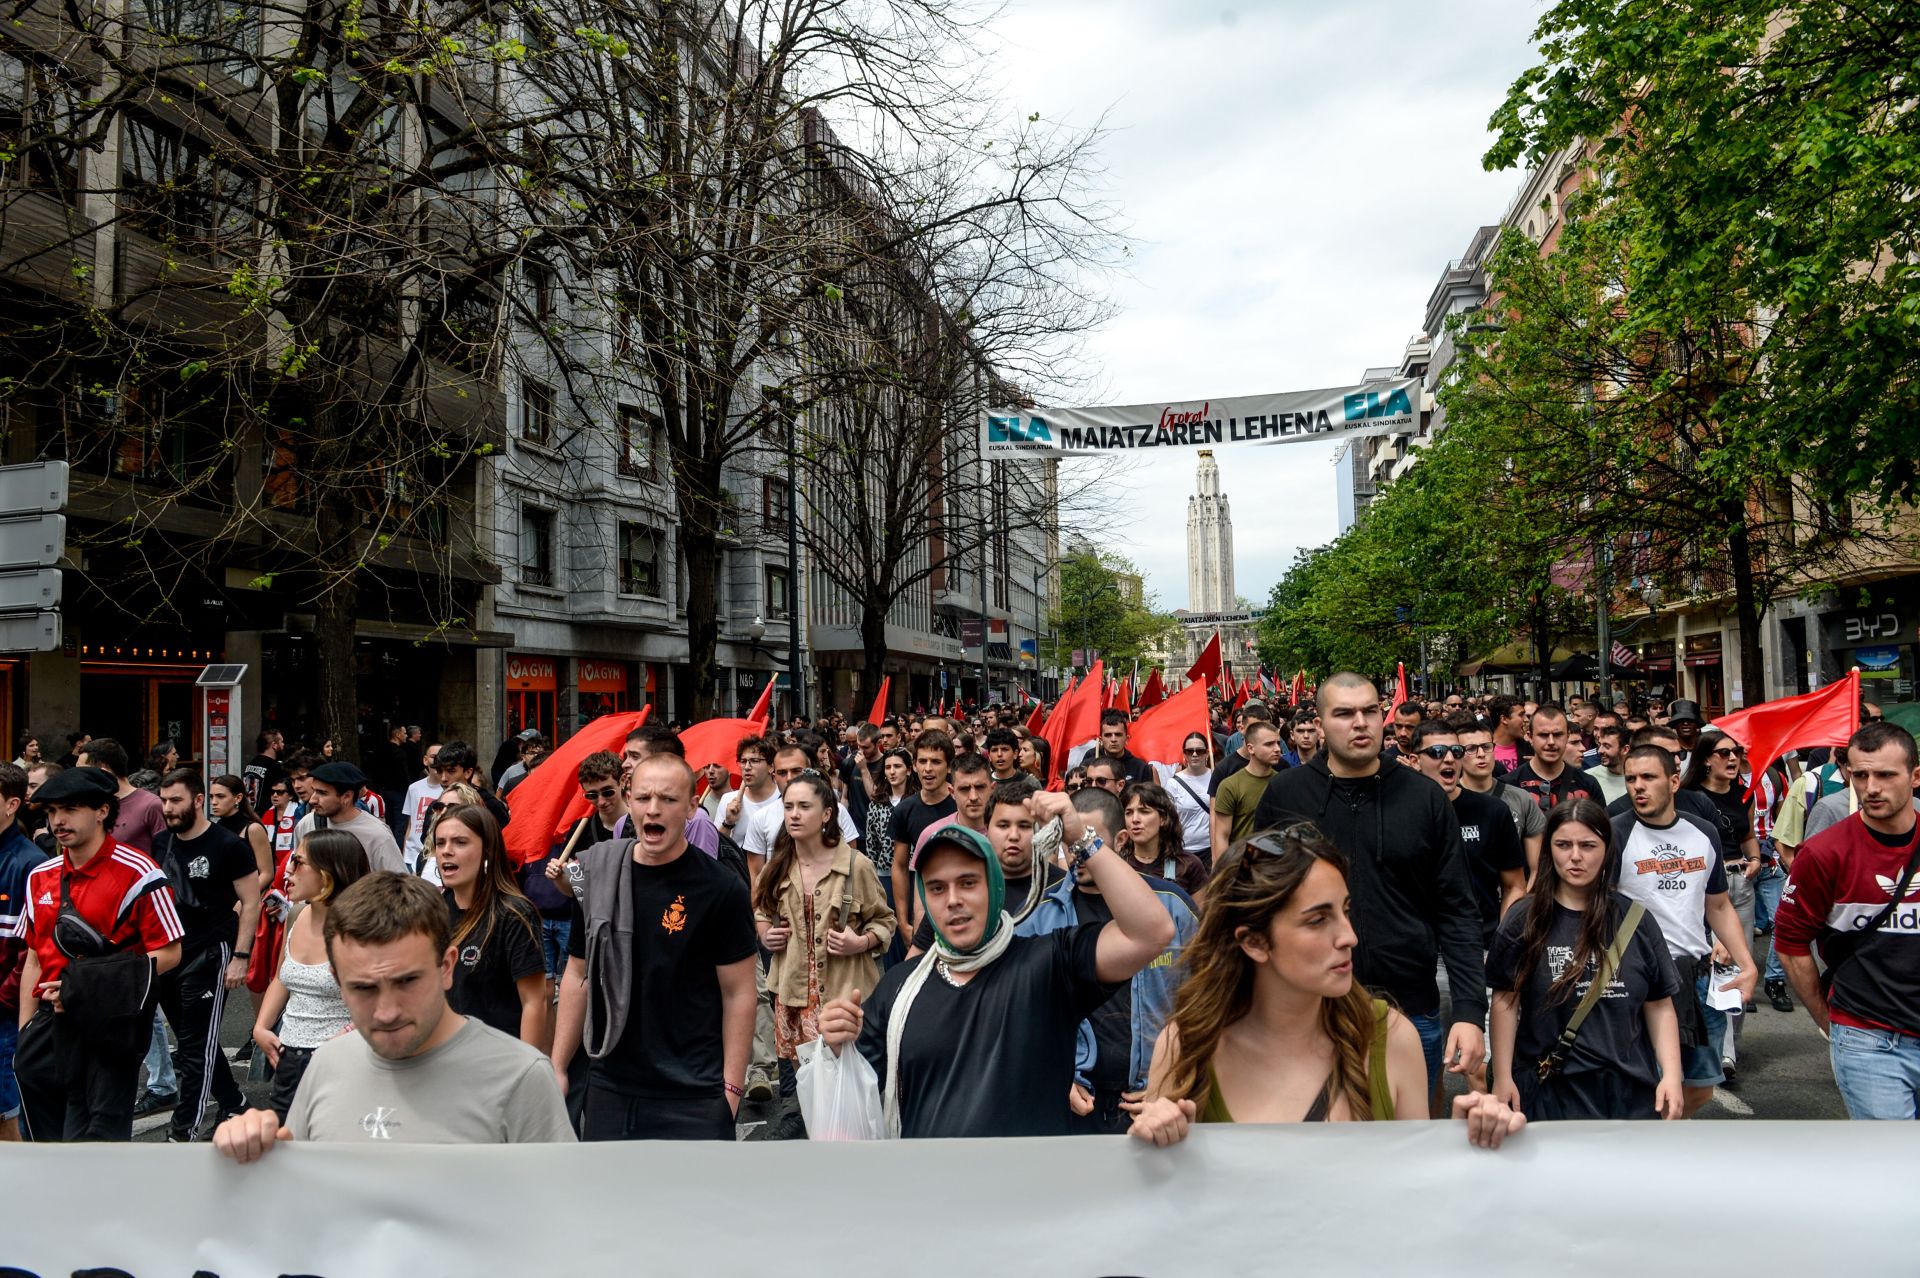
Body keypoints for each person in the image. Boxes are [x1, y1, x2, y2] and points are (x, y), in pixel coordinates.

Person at [818, 809, 1176, 1139]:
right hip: (931, 1196)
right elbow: (857, 1091)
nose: (953, 899)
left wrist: (1081, 836)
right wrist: (835, 1045)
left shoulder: (1048, 963)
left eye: (968, 882)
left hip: (1028, 1199)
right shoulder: (899, 987)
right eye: (937, 888)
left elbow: (1150, 932)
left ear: (995, 887)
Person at [213, 872, 574, 1159]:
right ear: (338, 981)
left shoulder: (520, 1078)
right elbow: (299, 1197)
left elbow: (559, 1221)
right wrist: (252, 1152)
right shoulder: (326, 1064)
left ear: (447, 967)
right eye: (363, 988)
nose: (386, 1012)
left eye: (407, 981)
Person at [1250, 673, 1488, 1102]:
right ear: (1320, 724)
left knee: (1412, 1144)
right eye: (1344, 713)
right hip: (1310, 1012)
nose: (1360, 723)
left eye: (1370, 711)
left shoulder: (1425, 798)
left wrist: (1470, 1011)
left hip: (1410, 1008)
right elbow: (1258, 904)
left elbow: (1457, 910)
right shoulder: (1285, 795)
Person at [1125, 825, 1428, 1142]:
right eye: (1318, 920)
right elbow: (1167, 1189)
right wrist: (1156, 1143)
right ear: (1254, 941)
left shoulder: (1390, 1038)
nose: (1349, 936)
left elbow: (1420, 1182)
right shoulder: (1184, 1048)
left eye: (1345, 910)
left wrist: (1465, 1143)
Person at [552, 755, 758, 1140]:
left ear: (692, 807)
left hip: (694, 1092)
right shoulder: (599, 875)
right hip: (611, 1085)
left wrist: (730, 1090)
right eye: (644, 797)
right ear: (629, 801)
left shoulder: (721, 888)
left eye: (667, 799)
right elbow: (577, 974)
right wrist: (559, 1065)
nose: (653, 809)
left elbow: (740, 993)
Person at [13, 766, 184, 1141]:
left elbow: (169, 953)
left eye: (70, 809)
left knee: (97, 1140)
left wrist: (87, 985)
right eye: (52, 811)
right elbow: (34, 956)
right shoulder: (39, 875)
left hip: (110, 1020)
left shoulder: (140, 872)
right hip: (48, 1022)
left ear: (103, 811)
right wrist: (27, 1029)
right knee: (47, 1141)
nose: (58, 820)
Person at [1488, 799, 1683, 1121]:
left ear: (1607, 850)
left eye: (1588, 845)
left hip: (1629, 1091)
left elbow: (1659, 1004)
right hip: (1551, 1090)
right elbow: (1505, 1001)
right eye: (1563, 845)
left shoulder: (1635, 918)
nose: (1575, 856)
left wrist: (1672, 1076)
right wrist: (1504, 1076)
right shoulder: (1524, 918)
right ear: (1549, 850)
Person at [1023, 785, 1196, 1135]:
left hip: (1153, 1101)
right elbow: (1023, 1016)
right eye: (1069, 843)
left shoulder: (1171, 906)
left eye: (1086, 839)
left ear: (1119, 840)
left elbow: (1203, 1001)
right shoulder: (1037, 916)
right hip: (1074, 1103)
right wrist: (1056, 1074)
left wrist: (1173, 1076)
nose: (1077, 853)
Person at [1774, 721, 1920, 1119]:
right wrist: (1829, 1021)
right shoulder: (1823, 853)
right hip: (1869, 1041)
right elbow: (1789, 944)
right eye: (1861, 774)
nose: (1871, 787)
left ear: (1915, 776)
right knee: (1892, 1171)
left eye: (1886, 774)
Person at [1614, 743, 1760, 1116]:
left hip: (1697, 977)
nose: (1638, 787)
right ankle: (1652, 1160)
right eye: (1631, 778)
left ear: (1674, 781)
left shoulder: (1704, 831)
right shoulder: (1615, 833)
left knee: (1700, 1088)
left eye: (1648, 777)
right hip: (1641, 980)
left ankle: (1662, 1146)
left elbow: (1719, 904)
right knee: (1656, 1085)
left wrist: (1747, 965)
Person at [754, 772, 895, 1124]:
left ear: (827, 814)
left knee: (845, 1096)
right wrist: (765, 934)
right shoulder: (778, 866)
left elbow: (886, 921)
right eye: (789, 807)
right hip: (793, 995)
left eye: (805, 806)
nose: (795, 815)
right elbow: (761, 910)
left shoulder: (854, 865)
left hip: (842, 997)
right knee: (803, 1090)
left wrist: (860, 942)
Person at [151, 769, 262, 1141]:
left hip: (210, 954)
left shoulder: (227, 844)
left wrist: (241, 955)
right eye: (164, 800)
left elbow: (250, 901)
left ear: (197, 800)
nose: (168, 808)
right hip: (169, 955)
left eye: (176, 800)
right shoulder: (159, 843)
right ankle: (233, 1103)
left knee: (195, 1047)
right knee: (193, 1039)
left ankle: (183, 1131)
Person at [250, 829, 370, 1119]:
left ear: (328, 872)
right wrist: (261, 1028)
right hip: (288, 1056)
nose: (287, 870)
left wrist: (342, 1043)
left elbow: (378, 1001)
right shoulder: (296, 914)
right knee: (287, 1146)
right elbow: (281, 976)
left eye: (298, 862)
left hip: (342, 1064)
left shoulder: (361, 929)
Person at [432, 802, 547, 1048]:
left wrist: (528, 1071)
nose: (446, 851)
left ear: (487, 850)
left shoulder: (514, 913)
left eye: (460, 842)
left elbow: (534, 1002)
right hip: (443, 1058)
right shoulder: (433, 909)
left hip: (499, 1061)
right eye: (440, 843)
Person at [1409, 721, 1525, 946]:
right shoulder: (1398, 813)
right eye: (1437, 752)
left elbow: (1514, 885)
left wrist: (1501, 943)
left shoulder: (1493, 811)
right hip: (1421, 953)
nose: (1449, 759)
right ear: (1415, 761)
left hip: (1481, 947)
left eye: (1456, 751)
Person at [0, 763, 40, 1139]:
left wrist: (5, 999)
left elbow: (33, 949)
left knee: (6, 1111)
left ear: (13, 804)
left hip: (6, 1012)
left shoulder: (29, 863)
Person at [1455, 716, 1546, 874]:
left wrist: (1524, 897)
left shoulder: (1521, 799)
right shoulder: (1447, 800)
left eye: (1486, 746)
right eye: (1471, 749)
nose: (1481, 754)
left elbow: (1536, 868)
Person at [889, 731, 957, 934]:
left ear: (949, 766)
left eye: (936, 762)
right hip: (923, 908)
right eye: (923, 761)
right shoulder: (905, 809)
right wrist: (903, 922)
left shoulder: (962, 805)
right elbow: (900, 866)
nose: (928, 769)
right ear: (915, 765)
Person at [294, 761, 404, 873]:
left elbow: (397, 884)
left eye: (322, 793)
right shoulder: (306, 824)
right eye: (314, 790)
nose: (313, 800)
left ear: (347, 796)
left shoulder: (377, 835)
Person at [1506, 705, 1605, 813]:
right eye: (1543, 735)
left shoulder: (1588, 784)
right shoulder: (1509, 785)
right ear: (1530, 737)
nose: (1551, 742)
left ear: (1567, 736)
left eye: (1558, 735)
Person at [74, 738, 164, 854]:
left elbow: (165, 856)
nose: (77, 779)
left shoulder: (151, 805)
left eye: (82, 772)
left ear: (103, 770)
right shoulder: (91, 807)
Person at [1119, 782, 1208, 900]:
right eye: (1129, 813)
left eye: (1144, 811)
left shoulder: (1189, 865)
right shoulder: (1117, 864)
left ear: (1163, 818)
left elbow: (1201, 916)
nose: (1135, 819)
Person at [1211, 720, 1281, 864]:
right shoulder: (1230, 786)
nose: (1277, 749)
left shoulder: (1283, 782)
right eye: (1269, 744)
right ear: (1251, 748)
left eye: (1278, 743)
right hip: (1242, 867)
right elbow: (1222, 836)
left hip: (1275, 867)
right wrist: (1224, 873)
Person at [716, 735, 781, 874]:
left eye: (754, 761)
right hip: (738, 879)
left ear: (771, 766)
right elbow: (715, 847)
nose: (746, 767)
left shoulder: (784, 801)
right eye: (743, 761)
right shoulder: (729, 800)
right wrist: (728, 823)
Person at [1153, 733, 1215, 866]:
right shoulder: (1173, 783)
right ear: (1184, 754)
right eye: (1189, 751)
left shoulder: (1217, 777)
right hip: (1183, 851)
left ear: (1207, 753)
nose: (1194, 754)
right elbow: (1168, 820)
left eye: (1199, 751)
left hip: (1211, 849)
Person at [399, 750, 447, 875]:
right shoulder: (413, 788)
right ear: (425, 760)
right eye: (433, 757)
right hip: (412, 854)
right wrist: (405, 853)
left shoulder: (449, 792)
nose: (437, 761)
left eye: (441, 757)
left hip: (435, 854)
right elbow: (410, 824)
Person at [240, 730, 286, 815]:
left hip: (248, 814)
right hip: (266, 817)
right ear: (274, 745)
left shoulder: (250, 764)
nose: (283, 745)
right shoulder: (276, 768)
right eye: (281, 742)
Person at [1585, 720, 1630, 806]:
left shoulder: (1640, 778)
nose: (1600, 751)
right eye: (1600, 745)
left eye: (1607, 746)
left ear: (1625, 749)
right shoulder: (1589, 778)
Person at [1488, 695, 1531, 776]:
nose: (1526, 719)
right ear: (1504, 719)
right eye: (1521, 715)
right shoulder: (1483, 750)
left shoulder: (1529, 749)